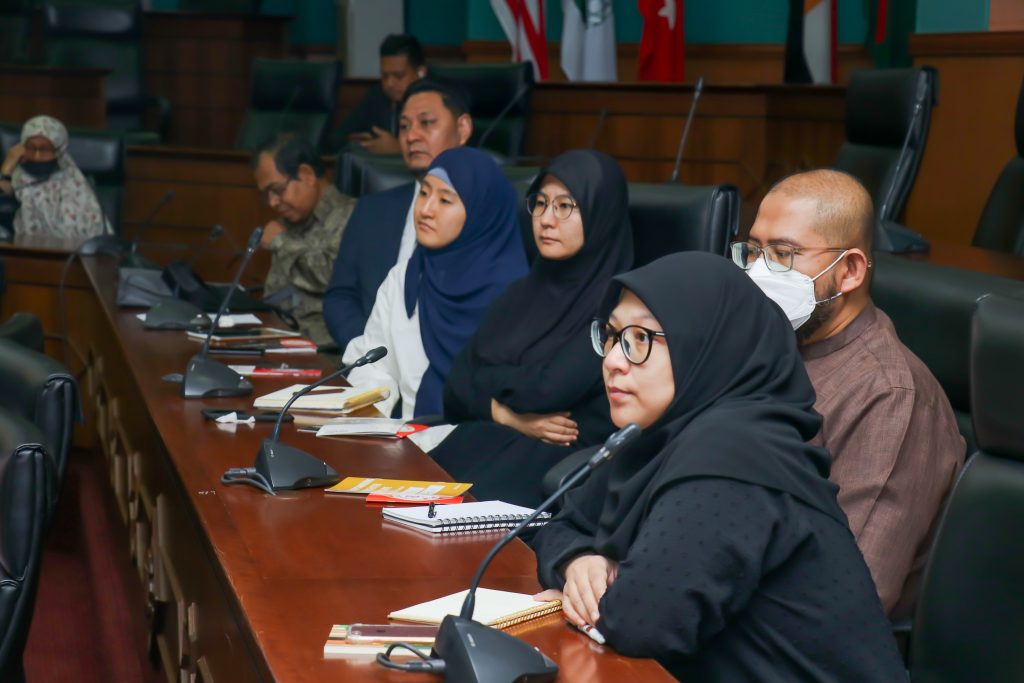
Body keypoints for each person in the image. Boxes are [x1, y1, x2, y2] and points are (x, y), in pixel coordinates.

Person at [531, 252, 907, 682]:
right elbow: (558, 525)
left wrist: (599, 595)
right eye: (613, 336)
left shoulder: (735, 455)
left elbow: (641, 622)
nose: (614, 359)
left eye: (640, 339)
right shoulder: (657, 437)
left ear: (707, 346)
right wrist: (579, 563)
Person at [736, 168, 964, 619]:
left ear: (849, 270)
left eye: (783, 254)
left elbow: (851, 592)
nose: (759, 271)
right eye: (753, 251)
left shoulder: (891, 397)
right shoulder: (766, 346)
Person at [431, 150, 633, 506]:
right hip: (495, 436)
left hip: (564, 469)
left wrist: (486, 382)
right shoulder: (521, 291)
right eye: (540, 204)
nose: (546, 220)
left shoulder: (619, 308)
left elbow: (546, 390)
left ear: (600, 215)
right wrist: (507, 415)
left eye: (565, 206)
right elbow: (455, 386)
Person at [343, 146, 527, 419]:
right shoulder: (405, 277)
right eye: (424, 193)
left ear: (480, 212)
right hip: (408, 435)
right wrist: (367, 423)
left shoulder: (517, 295)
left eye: (445, 200)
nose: (426, 210)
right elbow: (374, 366)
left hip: (483, 439)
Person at [324, 79, 473, 350]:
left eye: (426, 123)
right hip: (372, 363)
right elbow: (341, 296)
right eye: (404, 126)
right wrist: (369, 350)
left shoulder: (487, 212)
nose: (411, 136)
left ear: (462, 129)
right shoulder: (371, 210)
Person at [252, 133, 356, 346]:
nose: (272, 202)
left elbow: (332, 278)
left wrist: (281, 242)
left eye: (277, 190)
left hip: (326, 352)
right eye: (267, 195)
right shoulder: (290, 222)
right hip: (279, 341)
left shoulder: (353, 215)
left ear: (307, 175)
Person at [0, 115, 109, 239]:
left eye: (45, 149)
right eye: (31, 148)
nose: (37, 156)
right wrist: (6, 171)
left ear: (59, 151)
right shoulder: (15, 179)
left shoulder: (74, 187)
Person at [332, 34, 426, 154]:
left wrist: (399, 148)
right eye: (385, 76)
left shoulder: (436, 101)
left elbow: (439, 152)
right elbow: (336, 139)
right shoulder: (376, 96)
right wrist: (363, 142)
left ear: (421, 73)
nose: (389, 83)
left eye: (398, 76)